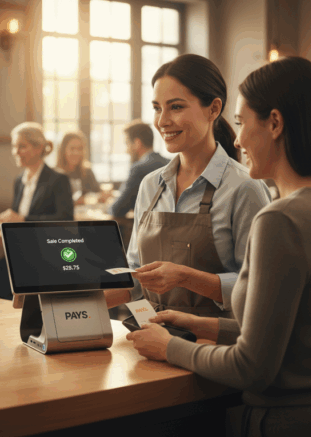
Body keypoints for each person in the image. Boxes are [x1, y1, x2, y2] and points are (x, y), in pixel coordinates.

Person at [126, 57, 311, 436]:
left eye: (243, 123)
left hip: (287, 422)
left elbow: (252, 368)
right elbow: (293, 336)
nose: (238, 138)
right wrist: (200, 324)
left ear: (275, 124)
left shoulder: (280, 220)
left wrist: (169, 348)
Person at [104, 54, 271, 318]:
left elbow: (257, 289)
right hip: (154, 337)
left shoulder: (244, 188)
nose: (162, 121)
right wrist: (71, 300)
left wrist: (184, 277)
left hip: (216, 347)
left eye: (176, 107)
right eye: (158, 108)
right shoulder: (151, 185)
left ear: (213, 109)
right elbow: (135, 276)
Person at [0, 122, 74, 299]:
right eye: (14, 146)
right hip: (20, 254)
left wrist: (23, 219)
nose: (15, 152)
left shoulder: (58, 180)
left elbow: (64, 220)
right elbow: (17, 219)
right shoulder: (19, 180)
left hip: (45, 256)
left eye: (22, 146)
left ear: (39, 148)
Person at [106, 120, 170, 218]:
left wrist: (108, 205)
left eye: (127, 143)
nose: (126, 150)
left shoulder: (139, 169)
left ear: (137, 143)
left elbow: (117, 210)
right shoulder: (170, 163)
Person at [55, 131, 100, 205]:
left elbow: (97, 194)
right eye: (72, 149)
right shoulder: (55, 174)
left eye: (80, 149)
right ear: (63, 150)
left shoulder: (87, 172)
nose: (76, 153)